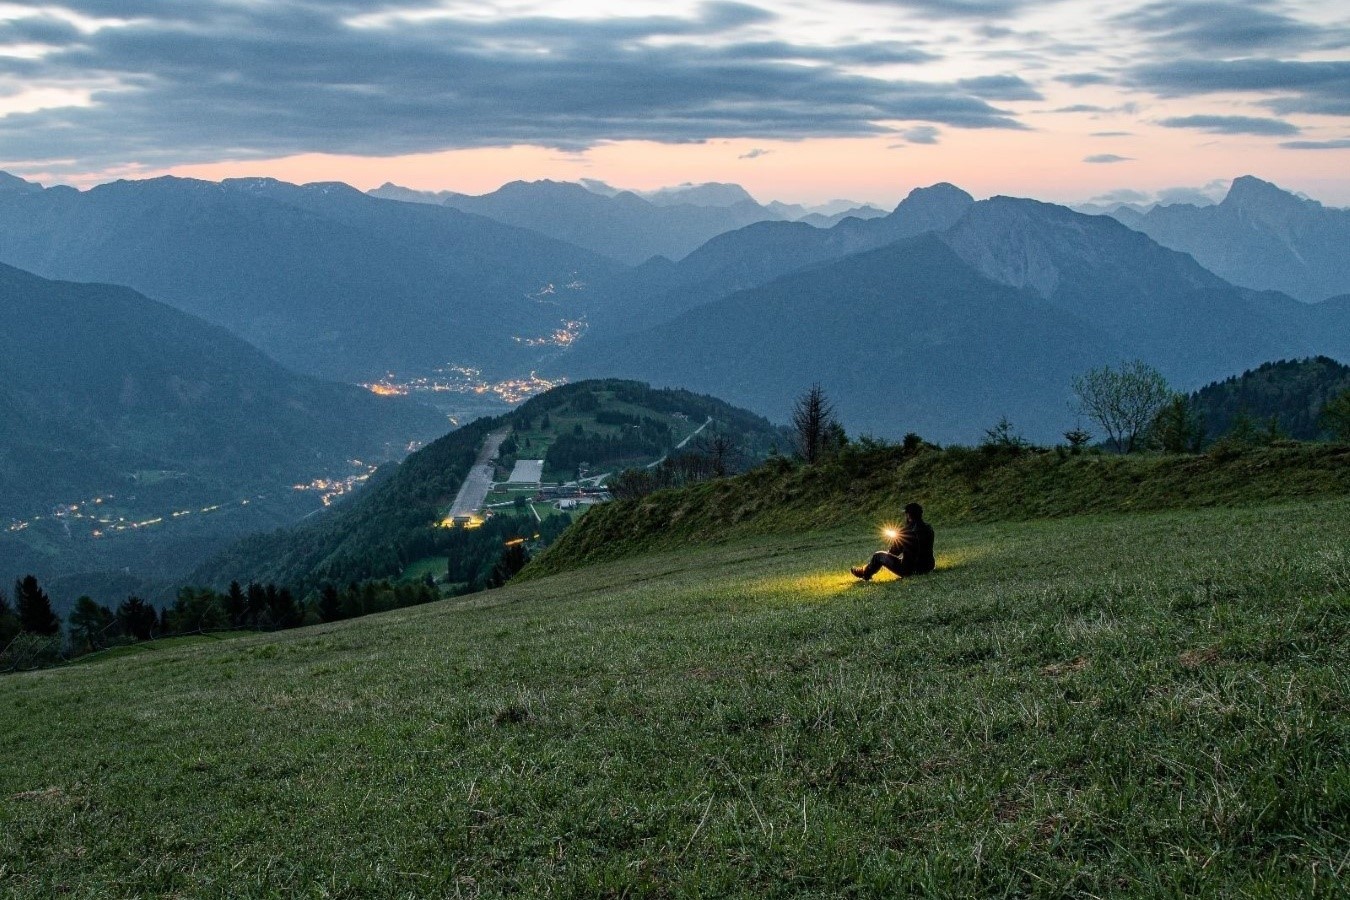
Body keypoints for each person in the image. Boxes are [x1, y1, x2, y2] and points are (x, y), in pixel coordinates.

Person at [850, 502, 935, 581]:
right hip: (928, 566)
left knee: (878, 556)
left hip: (909, 570)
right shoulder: (929, 528)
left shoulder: (905, 531)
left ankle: (865, 573)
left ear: (908, 515)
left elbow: (894, 552)